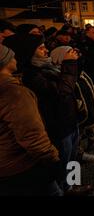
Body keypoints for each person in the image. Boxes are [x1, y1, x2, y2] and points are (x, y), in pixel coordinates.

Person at [19, 34, 92, 195]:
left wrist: (74, 61)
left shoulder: (49, 66)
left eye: (45, 46)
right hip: (58, 126)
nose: (46, 50)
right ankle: (63, 188)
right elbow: (62, 91)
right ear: (29, 52)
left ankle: (73, 185)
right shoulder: (33, 76)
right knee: (62, 162)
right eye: (40, 48)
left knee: (72, 159)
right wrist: (69, 64)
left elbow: (71, 80)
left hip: (69, 121)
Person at [0, 45, 63, 196]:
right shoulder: (13, 93)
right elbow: (31, 135)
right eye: (11, 56)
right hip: (21, 165)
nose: (15, 58)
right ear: (4, 61)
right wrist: (53, 159)